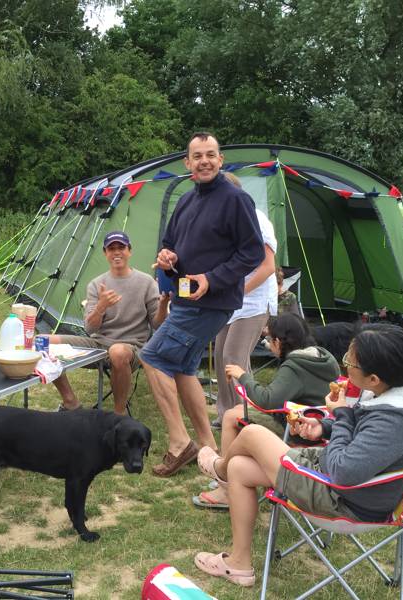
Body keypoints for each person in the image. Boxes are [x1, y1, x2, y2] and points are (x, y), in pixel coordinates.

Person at [193, 323, 403, 587]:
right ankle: (239, 564)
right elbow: (365, 436)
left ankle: (218, 468)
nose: (344, 364)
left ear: (374, 378)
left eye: (350, 361)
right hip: (351, 483)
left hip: (344, 501)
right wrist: (324, 427)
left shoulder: (394, 422)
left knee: (251, 434)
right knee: (239, 468)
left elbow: (341, 472)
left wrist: (341, 415)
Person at [140, 132, 265, 477]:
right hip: (184, 297)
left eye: (211, 154)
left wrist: (213, 278)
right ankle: (208, 447)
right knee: (183, 369)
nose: (205, 161)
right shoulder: (186, 200)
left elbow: (253, 252)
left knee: (152, 357)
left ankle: (180, 443)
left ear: (221, 160)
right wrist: (167, 259)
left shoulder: (235, 199)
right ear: (188, 162)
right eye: (197, 156)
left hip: (211, 302)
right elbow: (170, 245)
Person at [194, 313, 339, 509]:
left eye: (269, 339)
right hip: (321, 427)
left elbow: (267, 400)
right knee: (238, 410)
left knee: (230, 417)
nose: (267, 343)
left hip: (297, 430)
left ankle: (226, 487)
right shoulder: (323, 357)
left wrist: (243, 376)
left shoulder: (295, 367)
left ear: (278, 342)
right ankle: (232, 475)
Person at [48, 231, 170, 414]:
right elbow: (90, 328)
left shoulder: (146, 282)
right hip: (99, 344)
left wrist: (163, 305)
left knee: (117, 352)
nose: (116, 252)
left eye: (121, 247)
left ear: (129, 251)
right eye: (111, 249)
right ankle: (70, 402)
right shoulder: (96, 285)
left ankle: (119, 414)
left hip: (132, 348)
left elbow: (158, 325)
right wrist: (101, 307)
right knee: (43, 342)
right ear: (105, 253)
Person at [212, 181, 277, 427]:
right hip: (231, 300)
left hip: (254, 301)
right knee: (220, 356)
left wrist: (239, 292)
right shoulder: (224, 222)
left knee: (234, 357)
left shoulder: (257, 220)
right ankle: (226, 413)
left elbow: (268, 267)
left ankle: (243, 416)